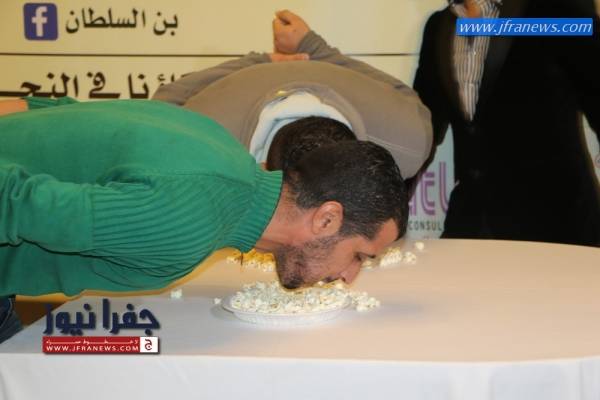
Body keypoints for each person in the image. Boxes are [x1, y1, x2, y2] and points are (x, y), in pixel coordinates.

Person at [0, 96, 408, 342]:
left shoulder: (218, 147)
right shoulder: (190, 221)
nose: (349, 276)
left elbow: (55, 114)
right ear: (327, 219)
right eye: (359, 255)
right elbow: (11, 202)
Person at [153, 10, 433, 184]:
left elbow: (163, 103)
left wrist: (269, 61)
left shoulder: (404, 143)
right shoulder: (207, 143)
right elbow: (160, 108)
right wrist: (309, 52)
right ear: (264, 170)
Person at [414, 0, 600, 246]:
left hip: (558, 229)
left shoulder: (559, 9)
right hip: (471, 226)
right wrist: (379, 208)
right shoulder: (439, 26)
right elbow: (421, 130)